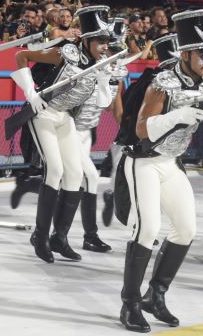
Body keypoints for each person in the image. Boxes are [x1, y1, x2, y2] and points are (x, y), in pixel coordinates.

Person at [116, 9, 203, 332]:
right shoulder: (162, 82)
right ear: (186, 53)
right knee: (147, 229)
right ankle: (130, 303)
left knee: (186, 229)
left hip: (171, 163)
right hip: (143, 162)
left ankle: (155, 295)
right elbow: (143, 130)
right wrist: (179, 115)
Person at [10, 6, 114, 263]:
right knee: (54, 170)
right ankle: (40, 236)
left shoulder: (99, 64)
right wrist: (30, 93)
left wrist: (102, 80)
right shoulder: (64, 53)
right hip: (43, 112)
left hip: (65, 117)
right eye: (100, 41)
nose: (104, 47)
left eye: (106, 42)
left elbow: (104, 103)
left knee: (76, 174)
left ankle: (60, 237)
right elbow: (22, 57)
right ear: (87, 39)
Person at [102, 33, 180, 229]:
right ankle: (133, 220)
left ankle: (142, 224)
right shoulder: (149, 85)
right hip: (134, 142)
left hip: (161, 146)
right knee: (133, 185)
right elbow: (122, 115)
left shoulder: (180, 84)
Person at [71, 17, 128, 254]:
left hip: (86, 132)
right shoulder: (85, 66)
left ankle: (60, 233)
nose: (113, 53)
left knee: (74, 182)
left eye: (116, 49)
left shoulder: (115, 73)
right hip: (68, 130)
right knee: (89, 178)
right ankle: (89, 236)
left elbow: (114, 107)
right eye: (110, 48)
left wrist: (128, 132)